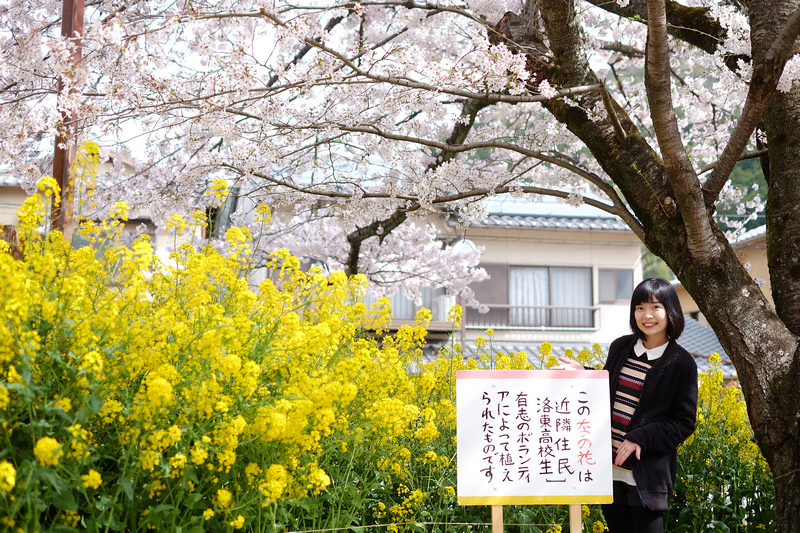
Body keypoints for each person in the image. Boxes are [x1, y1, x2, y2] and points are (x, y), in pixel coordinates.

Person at [554, 278, 697, 533]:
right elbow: (606, 389)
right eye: (640, 307)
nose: (647, 315)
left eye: (655, 307)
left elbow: (683, 423)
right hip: (610, 468)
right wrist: (584, 373)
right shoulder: (622, 346)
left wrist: (640, 438)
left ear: (671, 311)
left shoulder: (681, 364)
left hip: (646, 473)